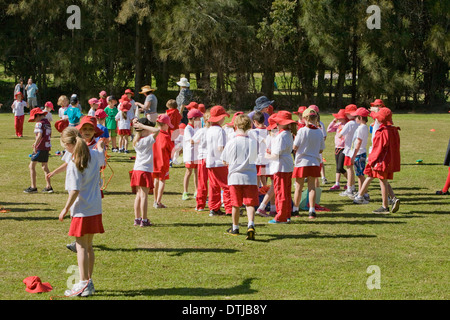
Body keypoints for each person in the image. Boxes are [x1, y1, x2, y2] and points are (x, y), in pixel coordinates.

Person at [58, 127, 106, 297]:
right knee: (88, 246)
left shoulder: (74, 162)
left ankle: (83, 283)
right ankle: (88, 282)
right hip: (94, 208)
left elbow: (75, 190)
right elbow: (101, 157)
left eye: (65, 147)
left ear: (69, 145)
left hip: (81, 209)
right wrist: (101, 146)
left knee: (81, 247)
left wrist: (65, 208)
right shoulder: (93, 154)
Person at [354, 108, 401, 213]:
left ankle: (385, 206)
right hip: (390, 160)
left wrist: (371, 160)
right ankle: (393, 199)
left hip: (381, 161)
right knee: (383, 181)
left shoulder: (382, 132)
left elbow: (377, 149)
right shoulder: (393, 130)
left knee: (383, 182)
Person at [221, 114, 258, 240]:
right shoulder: (253, 142)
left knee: (235, 204)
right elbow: (254, 159)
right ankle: (250, 224)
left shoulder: (231, 142)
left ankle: (235, 227)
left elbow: (224, 160)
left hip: (235, 177)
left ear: (235, 126)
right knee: (250, 203)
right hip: (250, 176)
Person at [291, 108, 325, 219]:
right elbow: (321, 149)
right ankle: (312, 210)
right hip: (314, 161)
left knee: (298, 187)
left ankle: (295, 209)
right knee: (312, 187)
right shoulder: (319, 132)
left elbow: (295, 147)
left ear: (305, 118)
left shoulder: (302, 131)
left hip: (301, 162)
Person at [265, 110, 296, 224]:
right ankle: (286, 214)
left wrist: (266, 155)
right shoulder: (288, 134)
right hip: (286, 165)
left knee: (280, 192)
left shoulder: (281, 136)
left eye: (278, 122)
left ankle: (281, 216)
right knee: (286, 192)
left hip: (280, 166)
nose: (277, 124)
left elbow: (275, 155)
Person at [130, 118, 160, 227]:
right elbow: (157, 130)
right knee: (144, 196)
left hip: (137, 169)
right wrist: (143, 126)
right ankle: (144, 219)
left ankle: (137, 218)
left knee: (138, 195)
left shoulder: (136, 140)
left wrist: (141, 127)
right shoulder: (146, 140)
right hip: (145, 170)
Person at [205, 105, 232, 216]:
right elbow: (221, 147)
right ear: (220, 118)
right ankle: (230, 209)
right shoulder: (220, 131)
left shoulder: (209, 129)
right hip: (220, 161)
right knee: (226, 186)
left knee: (213, 186)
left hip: (210, 161)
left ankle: (214, 208)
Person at [24, 107, 53, 194]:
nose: (35, 121)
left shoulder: (39, 124)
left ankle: (33, 187)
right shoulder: (47, 122)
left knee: (31, 166)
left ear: (37, 116)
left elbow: (39, 134)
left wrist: (35, 144)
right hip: (46, 147)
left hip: (40, 147)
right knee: (44, 167)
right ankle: (49, 186)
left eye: (34, 118)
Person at [256, 113, 278, 217]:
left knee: (271, 185)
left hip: (267, 163)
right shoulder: (273, 135)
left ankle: (273, 208)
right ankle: (262, 206)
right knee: (272, 186)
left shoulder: (270, 134)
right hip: (271, 163)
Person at [152, 114, 174, 208]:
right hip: (163, 161)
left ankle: (155, 200)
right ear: (164, 125)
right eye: (167, 124)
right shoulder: (166, 136)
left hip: (154, 161)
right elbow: (171, 149)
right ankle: (158, 202)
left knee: (156, 180)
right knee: (162, 180)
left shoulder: (153, 134)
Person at [348, 108, 370, 201]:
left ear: (360, 117)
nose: (355, 118)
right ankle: (361, 191)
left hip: (359, 153)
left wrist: (353, 155)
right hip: (360, 152)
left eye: (356, 117)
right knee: (359, 174)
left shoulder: (361, 128)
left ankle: (364, 193)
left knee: (361, 175)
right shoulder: (363, 127)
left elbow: (359, 142)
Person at [337, 104, 358, 197]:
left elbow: (340, 135)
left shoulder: (349, 123)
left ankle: (349, 188)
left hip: (349, 149)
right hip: (356, 149)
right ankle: (352, 186)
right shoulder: (358, 123)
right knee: (352, 170)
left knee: (349, 170)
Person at [192, 110, 210, 211]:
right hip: (213, 158)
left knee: (202, 182)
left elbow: (192, 140)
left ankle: (200, 204)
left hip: (203, 157)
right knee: (213, 183)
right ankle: (212, 203)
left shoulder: (202, 131)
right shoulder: (217, 130)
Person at [182, 108, 203, 201]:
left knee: (197, 173)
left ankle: (196, 191)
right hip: (190, 155)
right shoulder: (188, 128)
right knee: (188, 172)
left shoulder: (198, 128)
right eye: (199, 118)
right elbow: (191, 140)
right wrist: (200, 140)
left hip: (197, 154)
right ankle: (185, 192)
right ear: (193, 119)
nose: (200, 120)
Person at [327, 109, 348, 190]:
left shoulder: (347, 125)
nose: (339, 119)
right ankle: (337, 183)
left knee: (340, 167)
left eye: (340, 117)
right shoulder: (338, 124)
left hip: (344, 148)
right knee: (337, 167)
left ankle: (350, 181)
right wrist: (334, 121)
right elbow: (329, 130)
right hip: (337, 147)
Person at [248, 111, 269, 187]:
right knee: (263, 177)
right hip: (265, 159)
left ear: (255, 122)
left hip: (255, 159)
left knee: (256, 177)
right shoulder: (268, 131)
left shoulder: (252, 132)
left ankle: (257, 193)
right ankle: (264, 191)